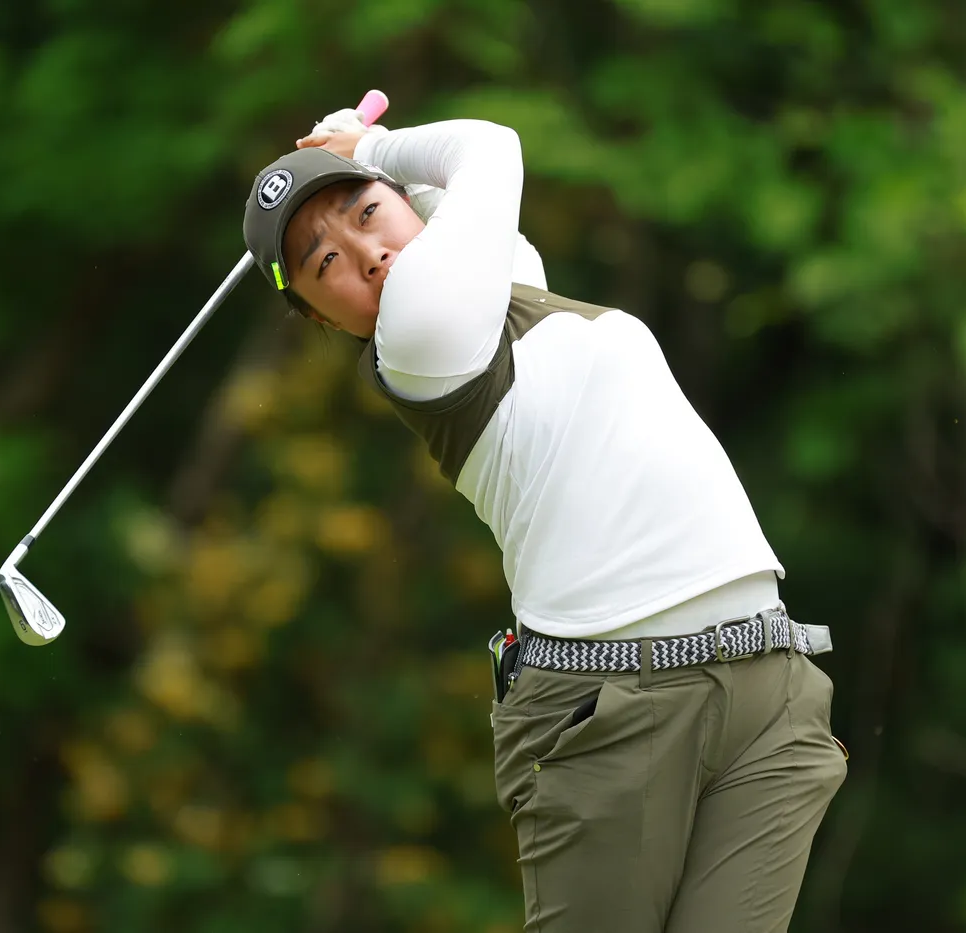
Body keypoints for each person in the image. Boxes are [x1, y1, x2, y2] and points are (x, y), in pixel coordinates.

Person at [241, 111, 848, 933]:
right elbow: (489, 149)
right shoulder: (417, 335)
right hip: (615, 712)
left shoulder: (502, 287)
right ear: (322, 319)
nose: (369, 254)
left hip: (766, 685)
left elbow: (458, 203)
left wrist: (358, 145)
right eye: (326, 264)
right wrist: (372, 151)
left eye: (367, 214)